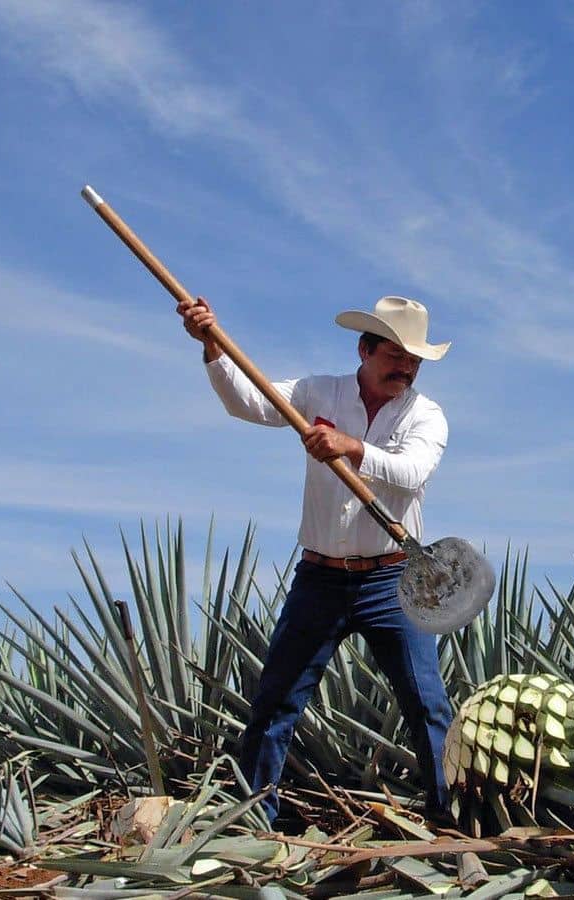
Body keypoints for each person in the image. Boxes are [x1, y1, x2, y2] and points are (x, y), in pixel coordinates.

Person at [176, 293, 456, 827]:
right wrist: (212, 345)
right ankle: (258, 819)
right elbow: (248, 402)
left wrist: (350, 448)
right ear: (365, 349)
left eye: (414, 359)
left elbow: (413, 472)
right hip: (320, 578)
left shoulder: (427, 415)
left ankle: (450, 816)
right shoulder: (316, 391)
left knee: (427, 706)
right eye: (395, 354)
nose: (406, 367)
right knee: (277, 701)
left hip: (393, 577)